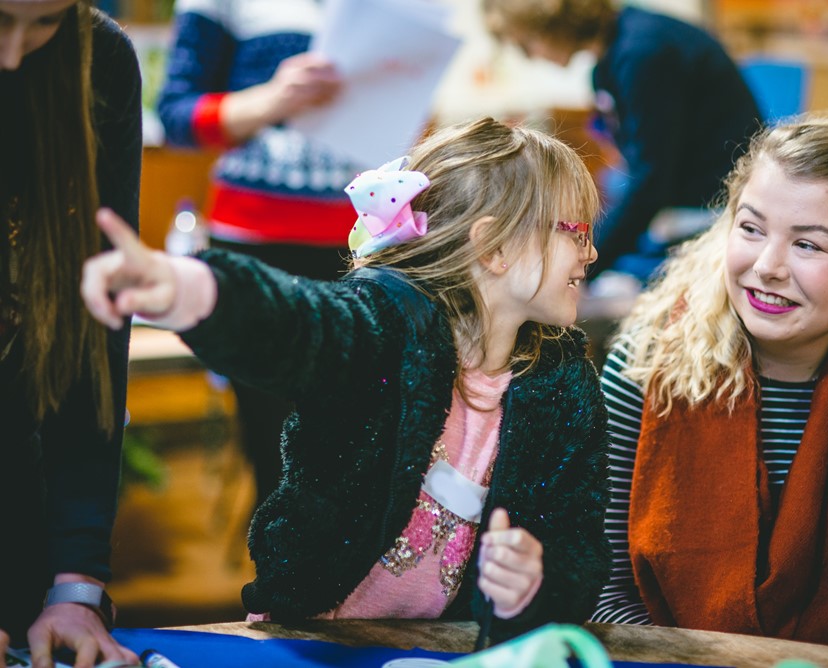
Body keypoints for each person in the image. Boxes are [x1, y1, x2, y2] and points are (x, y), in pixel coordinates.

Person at [81, 117, 612, 641]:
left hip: (451, 651)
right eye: (576, 231)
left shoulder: (564, 385)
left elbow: (579, 547)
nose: (591, 252)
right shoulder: (385, 325)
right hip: (315, 642)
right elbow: (298, 322)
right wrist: (189, 290)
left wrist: (533, 586)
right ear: (494, 247)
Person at [591, 112, 828, 665]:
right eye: (751, 229)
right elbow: (601, 584)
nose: (767, 266)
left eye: (809, 245)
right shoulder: (645, 363)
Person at [157, 0, 362, 509]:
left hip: (366, 242)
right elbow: (176, 116)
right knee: (276, 448)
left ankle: (356, 589)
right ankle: (283, 584)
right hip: (256, 243)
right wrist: (271, 100)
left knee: (355, 441)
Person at [0, 1, 142, 666]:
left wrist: (75, 587)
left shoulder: (102, 61)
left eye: (46, 21)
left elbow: (92, 352)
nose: (13, 53)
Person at [482, 0, 762, 282]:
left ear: (551, 24)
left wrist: (584, 267)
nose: (530, 56)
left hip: (713, 208)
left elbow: (650, 182)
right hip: (682, 200)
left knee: (610, 287)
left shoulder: (643, 53)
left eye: (526, 44)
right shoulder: (613, 57)